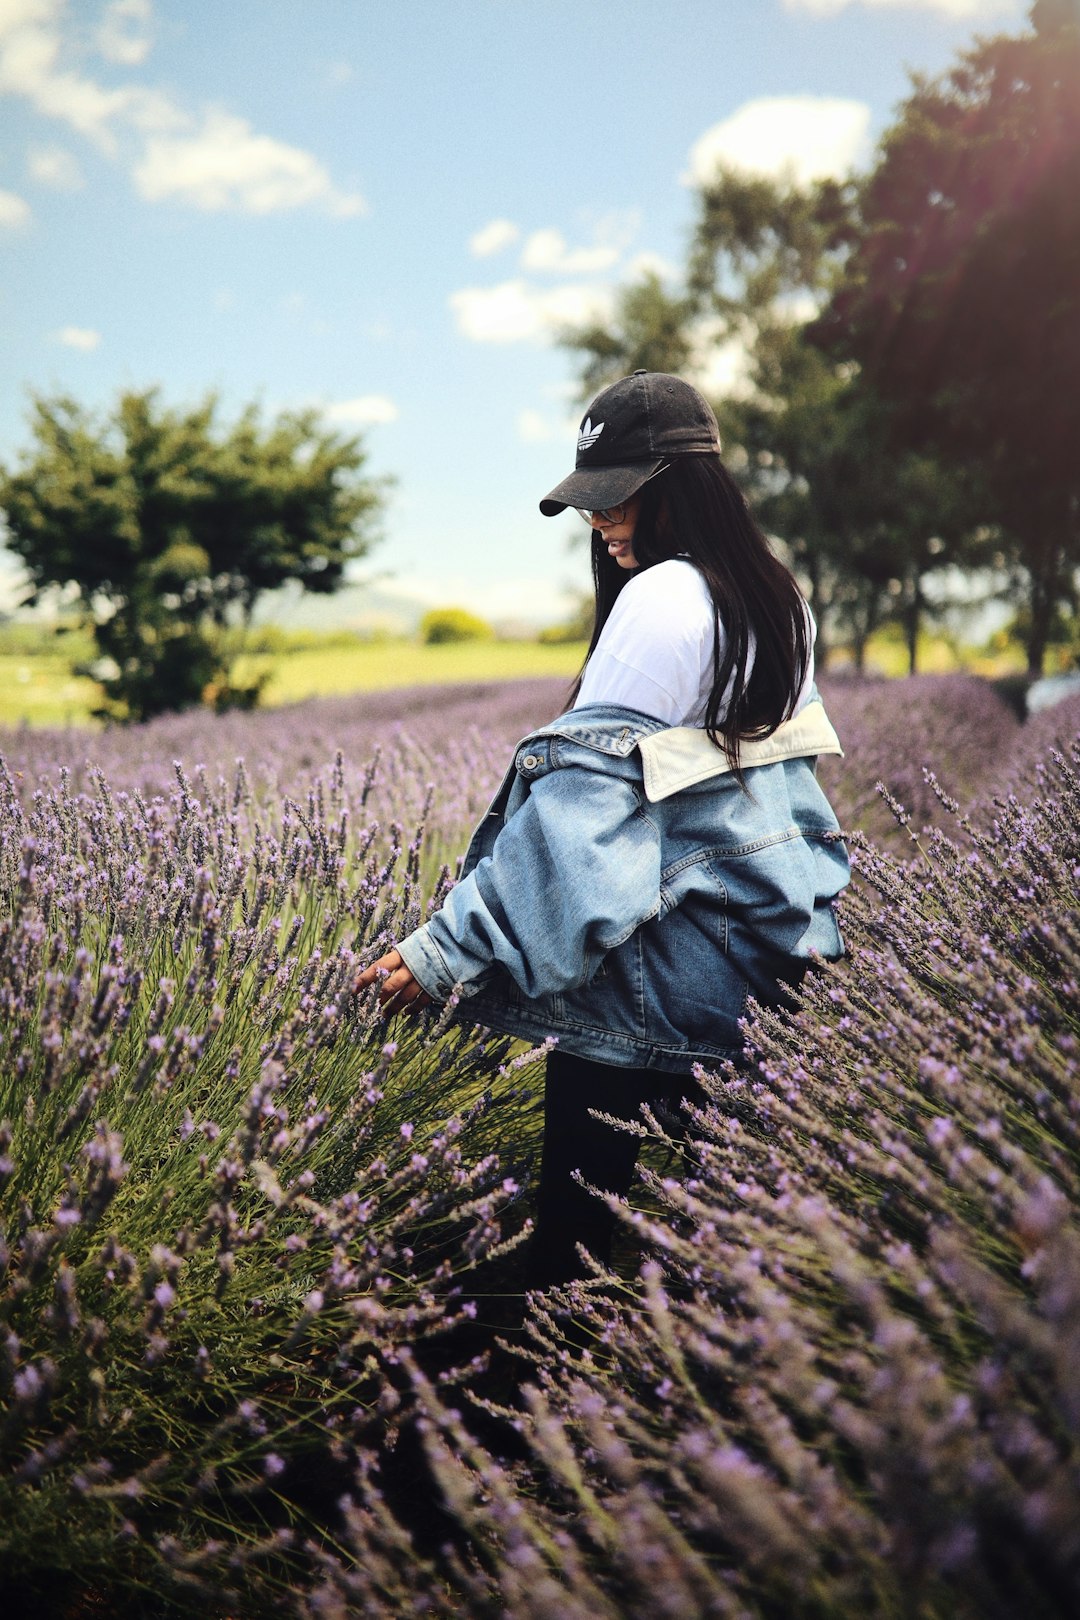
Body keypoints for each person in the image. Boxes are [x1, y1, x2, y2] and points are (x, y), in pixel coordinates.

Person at [355, 371, 850, 1286]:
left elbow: (576, 825)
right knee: (727, 1253)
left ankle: (531, 1413)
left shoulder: (660, 604)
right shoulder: (781, 601)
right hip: (762, 968)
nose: (601, 523)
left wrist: (446, 949)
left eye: (618, 499)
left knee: (569, 1253)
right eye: (592, 503)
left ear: (678, 485)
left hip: (652, 980)